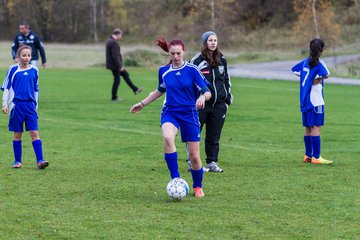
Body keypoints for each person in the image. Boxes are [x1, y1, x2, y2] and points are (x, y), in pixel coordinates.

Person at [130, 37, 211, 198]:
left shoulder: (192, 70)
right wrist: (142, 103)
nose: (175, 57)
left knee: (194, 157)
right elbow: (160, 90)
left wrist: (202, 97)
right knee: (167, 138)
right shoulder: (164, 71)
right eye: (172, 53)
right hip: (171, 112)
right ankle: (175, 178)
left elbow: (207, 91)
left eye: (178, 53)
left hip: (190, 114)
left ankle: (197, 186)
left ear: (184, 52)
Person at [187, 31, 234, 172]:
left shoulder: (222, 59)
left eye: (215, 40)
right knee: (195, 133)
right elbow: (190, 82)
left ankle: (212, 162)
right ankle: (192, 162)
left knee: (214, 135)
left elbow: (226, 80)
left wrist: (227, 99)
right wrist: (194, 100)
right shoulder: (196, 61)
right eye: (210, 40)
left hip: (219, 105)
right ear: (204, 43)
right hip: (201, 104)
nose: (213, 42)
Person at [1, 44, 49, 169]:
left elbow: (36, 89)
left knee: (34, 132)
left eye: (29, 55)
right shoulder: (13, 69)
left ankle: (40, 160)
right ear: (18, 56)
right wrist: (4, 104)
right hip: (17, 106)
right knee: (17, 134)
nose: (27, 58)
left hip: (30, 106)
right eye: (24, 55)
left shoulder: (34, 70)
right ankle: (17, 161)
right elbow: (6, 88)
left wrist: (35, 106)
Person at [292, 38, 333, 164]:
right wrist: (316, 79)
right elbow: (327, 74)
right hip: (316, 100)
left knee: (308, 127)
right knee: (316, 127)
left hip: (304, 99)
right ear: (322, 50)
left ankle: (308, 155)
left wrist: (309, 78)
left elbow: (294, 70)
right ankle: (316, 156)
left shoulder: (305, 62)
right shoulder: (320, 63)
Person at [106, 28, 143, 101]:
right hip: (115, 65)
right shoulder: (113, 43)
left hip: (113, 64)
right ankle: (114, 97)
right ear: (118, 34)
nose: (121, 37)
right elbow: (115, 56)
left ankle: (135, 89)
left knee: (125, 75)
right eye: (121, 35)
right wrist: (120, 66)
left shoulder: (109, 41)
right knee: (117, 80)